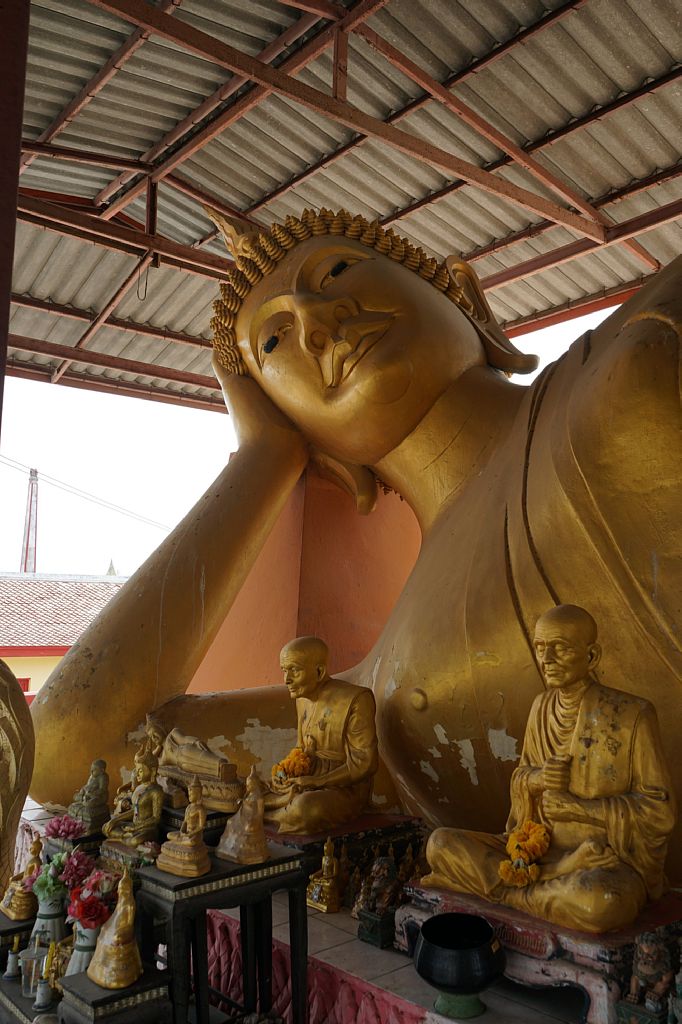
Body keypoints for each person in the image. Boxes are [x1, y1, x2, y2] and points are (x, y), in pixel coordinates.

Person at [30, 209, 682, 874]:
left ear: (468, 299)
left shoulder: (632, 350)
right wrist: (264, 456)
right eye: (276, 340)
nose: (316, 322)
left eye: (337, 270)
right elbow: (70, 750)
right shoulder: (382, 697)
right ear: (320, 449)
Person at [423, 606, 676, 932]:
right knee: (440, 844)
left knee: (600, 902)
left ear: (592, 656)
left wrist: (581, 810)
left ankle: (505, 888)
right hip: (536, 850)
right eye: (541, 647)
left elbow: (659, 812)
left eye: (561, 648)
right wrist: (537, 779)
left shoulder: (632, 715)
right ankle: (530, 886)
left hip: (597, 860)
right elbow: (522, 779)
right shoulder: (541, 706)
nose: (547, 659)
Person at [264, 636, 378, 834]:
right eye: (284, 670)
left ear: (319, 672)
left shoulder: (357, 699)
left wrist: (318, 781)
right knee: (254, 788)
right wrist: (284, 773)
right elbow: (301, 750)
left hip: (343, 789)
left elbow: (364, 763)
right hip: (306, 781)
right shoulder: (302, 697)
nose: (286, 680)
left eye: (294, 670)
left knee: (306, 808)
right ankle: (265, 809)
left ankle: (260, 813)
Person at [102, 751, 163, 848]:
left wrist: (135, 828)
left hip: (147, 829)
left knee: (134, 841)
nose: (137, 774)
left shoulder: (156, 791)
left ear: (153, 771)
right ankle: (126, 837)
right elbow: (134, 810)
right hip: (133, 826)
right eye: (137, 770)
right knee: (106, 827)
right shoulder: (139, 788)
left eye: (141, 771)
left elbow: (156, 818)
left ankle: (122, 838)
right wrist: (115, 820)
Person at [68, 759, 110, 832]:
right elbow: (87, 786)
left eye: (94, 770)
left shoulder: (103, 777)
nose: (91, 771)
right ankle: (83, 800)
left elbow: (102, 790)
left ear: (102, 770)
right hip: (87, 795)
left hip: (99, 797)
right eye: (91, 769)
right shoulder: (92, 776)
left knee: (89, 804)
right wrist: (82, 791)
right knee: (74, 798)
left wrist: (91, 794)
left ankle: (84, 801)